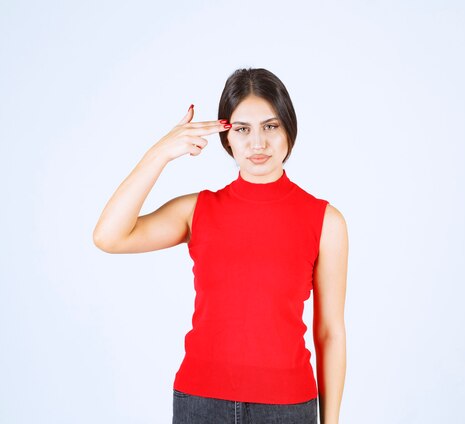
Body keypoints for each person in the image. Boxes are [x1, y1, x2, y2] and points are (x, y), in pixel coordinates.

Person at [92, 68, 348, 424]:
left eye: (270, 126)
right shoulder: (197, 210)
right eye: (243, 129)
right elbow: (109, 236)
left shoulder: (326, 221)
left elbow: (330, 332)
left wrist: (331, 421)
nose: (257, 143)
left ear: (290, 128)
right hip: (200, 402)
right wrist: (160, 153)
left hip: (288, 406)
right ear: (226, 136)